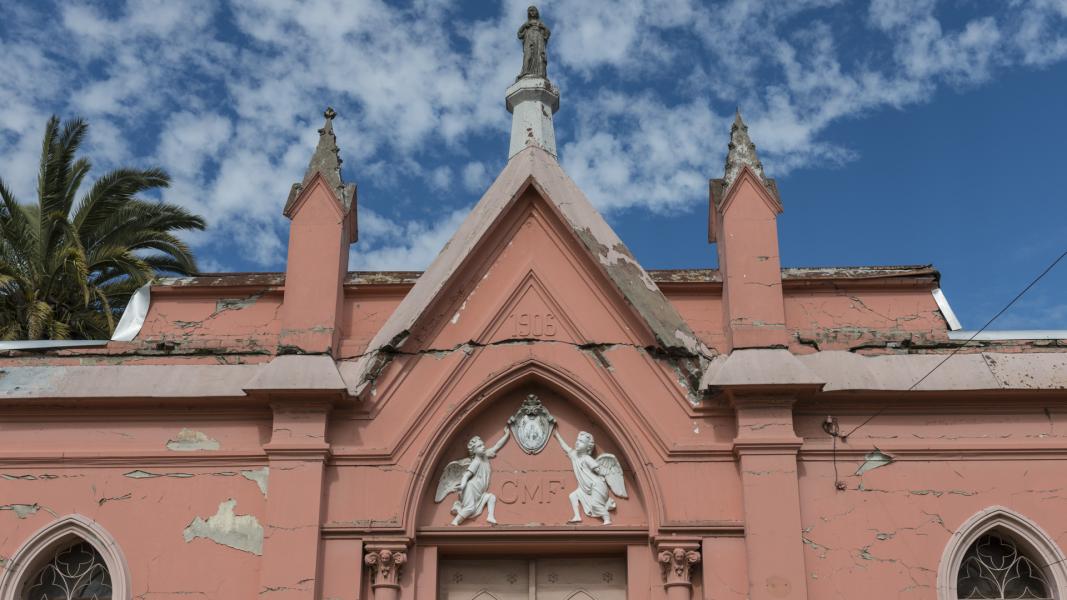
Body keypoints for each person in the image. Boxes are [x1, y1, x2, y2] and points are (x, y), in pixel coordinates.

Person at [450, 428, 510, 525]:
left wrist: (506, 434)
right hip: (472, 488)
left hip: (480, 491)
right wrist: (462, 485)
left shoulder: (485, 456)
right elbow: (466, 475)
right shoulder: (476, 462)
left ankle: (490, 517)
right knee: (470, 508)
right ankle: (455, 521)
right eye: (479, 446)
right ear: (474, 451)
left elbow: (497, 446)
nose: (483, 447)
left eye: (482, 444)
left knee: (491, 497)